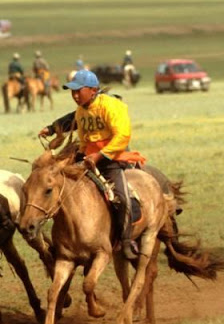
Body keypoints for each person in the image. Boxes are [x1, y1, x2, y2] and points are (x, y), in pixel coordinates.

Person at [38, 69, 145, 260]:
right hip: (87, 159)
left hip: (112, 159)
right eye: (72, 91)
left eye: (79, 91)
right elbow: (72, 122)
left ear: (93, 90)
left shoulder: (111, 106)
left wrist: (100, 155)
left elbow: (122, 136)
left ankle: (127, 240)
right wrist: (53, 129)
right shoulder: (81, 110)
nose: (75, 95)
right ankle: (65, 240)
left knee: (121, 197)